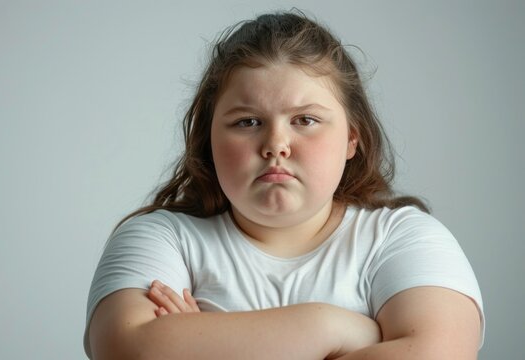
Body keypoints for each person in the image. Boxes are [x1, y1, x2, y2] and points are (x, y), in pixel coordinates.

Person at [84, 11, 484, 359]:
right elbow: (129, 350)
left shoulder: (402, 238)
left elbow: (438, 353)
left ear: (351, 139)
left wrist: (207, 345)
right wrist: (335, 328)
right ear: (209, 138)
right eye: (247, 122)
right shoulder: (160, 238)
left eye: (305, 120)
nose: (275, 145)